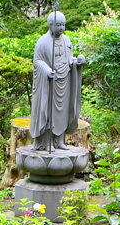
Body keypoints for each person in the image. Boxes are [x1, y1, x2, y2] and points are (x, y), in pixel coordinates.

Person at [30, 11, 85, 151]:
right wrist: (47, 71)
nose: (62, 28)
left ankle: (60, 141)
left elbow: (69, 59)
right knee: (48, 112)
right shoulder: (42, 42)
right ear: (51, 25)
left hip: (64, 81)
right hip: (49, 83)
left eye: (63, 25)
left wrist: (76, 62)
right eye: (59, 25)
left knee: (63, 112)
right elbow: (37, 61)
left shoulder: (66, 40)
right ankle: (47, 142)